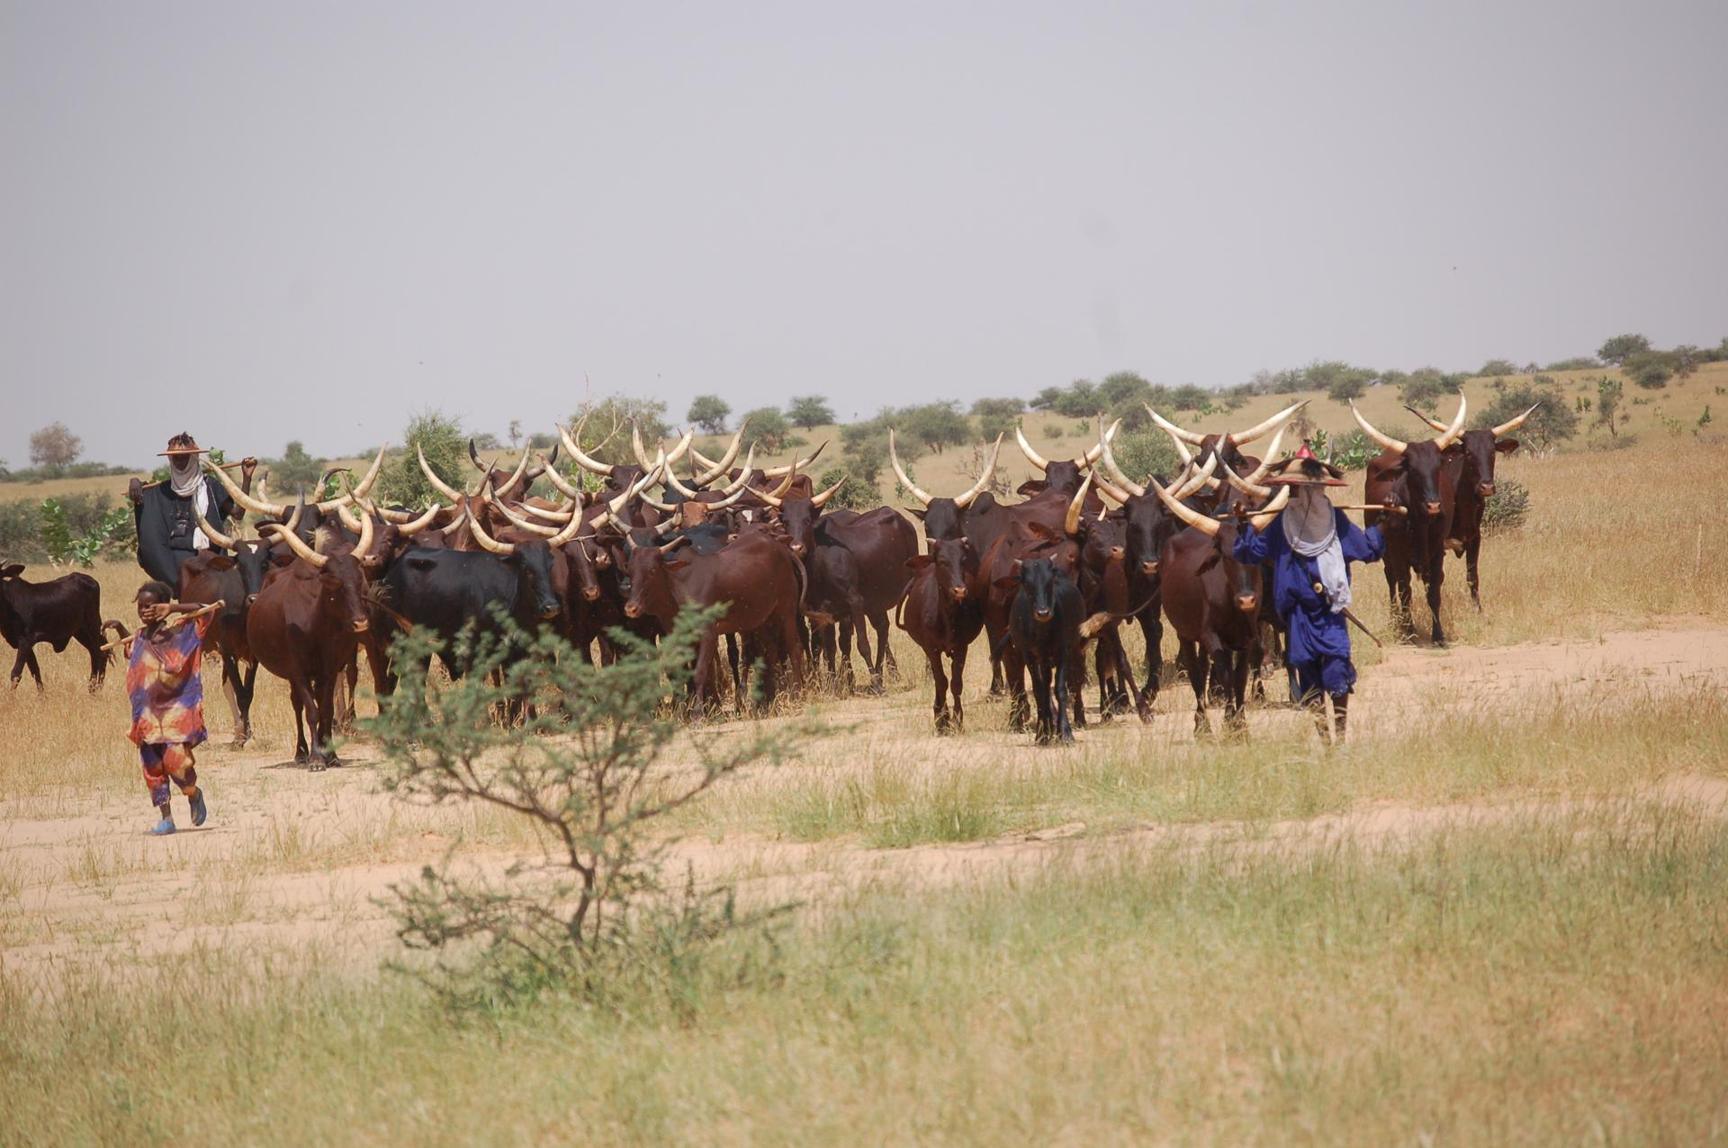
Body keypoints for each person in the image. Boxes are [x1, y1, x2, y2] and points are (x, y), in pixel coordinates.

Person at [1232, 443, 1384, 744]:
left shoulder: (1336, 522)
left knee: (1337, 671)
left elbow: (1368, 550)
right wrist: (1243, 522)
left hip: (1330, 614)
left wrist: (1384, 521)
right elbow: (1249, 553)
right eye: (1295, 489)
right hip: (1298, 618)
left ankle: (1340, 739)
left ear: (1321, 490)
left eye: (1307, 488)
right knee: (1309, 680)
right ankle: (1325, 740)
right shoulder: (1280, 525)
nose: (1301, 495)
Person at [124, 581, 219, 835]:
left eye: (152, 606)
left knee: (179, 766)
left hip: (175, 716)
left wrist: (174, 608)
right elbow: (132, 659)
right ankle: (166, 819)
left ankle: (193, 793)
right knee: (153, 770)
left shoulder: (181, 633)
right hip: (146, 719)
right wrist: (118, 628)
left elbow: (207, 611)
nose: (146, 611)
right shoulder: (138, 637)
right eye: (142, 606)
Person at [127, 433, 258, 585]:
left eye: (184, 457)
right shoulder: (160, 491)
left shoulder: (210, 486)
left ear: (193, 457)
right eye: (175, 457)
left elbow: (238, 513)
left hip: (210, 559)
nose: (179, 461)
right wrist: (136, 483)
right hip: (175, 564)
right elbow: (142, 500)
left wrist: (247, 478)